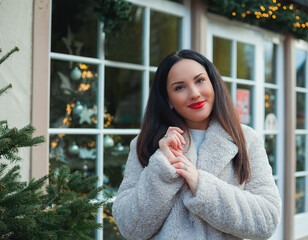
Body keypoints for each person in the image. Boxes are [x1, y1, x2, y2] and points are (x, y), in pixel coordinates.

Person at [112, 49, 281, 240]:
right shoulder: (146, 143)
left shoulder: (246, 139)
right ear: (167, 98)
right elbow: (130, 228)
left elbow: (267, 220)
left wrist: (201, 186)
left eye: (200, 80)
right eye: (179, 87)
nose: (194, 94)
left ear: (213, 83)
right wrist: (162, 169)